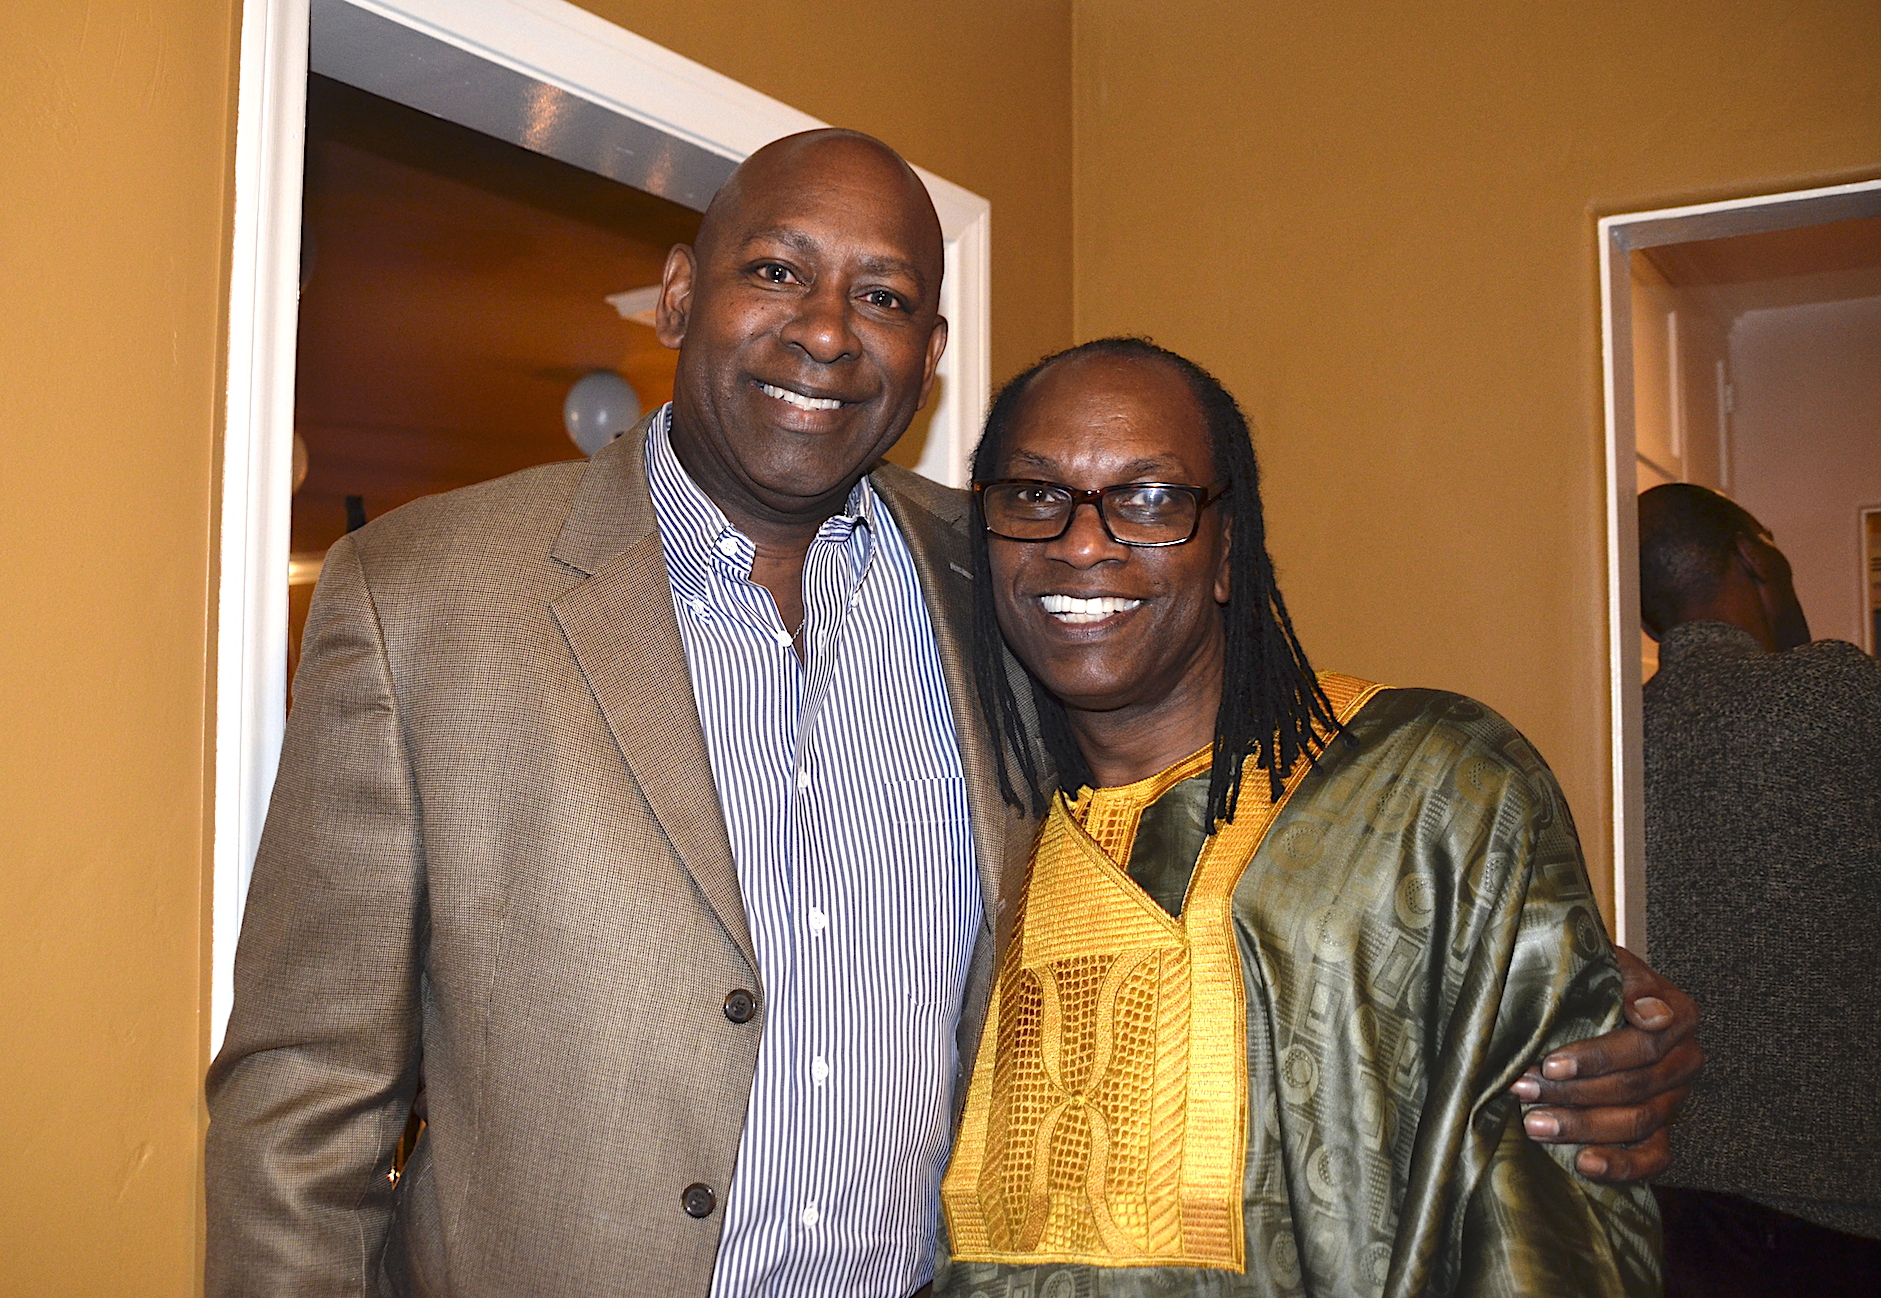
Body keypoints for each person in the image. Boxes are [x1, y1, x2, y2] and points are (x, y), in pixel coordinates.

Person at [206, 130, 1696, 1297]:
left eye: (884, 297)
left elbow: (1220, 814)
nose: (825, 332)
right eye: (776, 270)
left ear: (926, 354)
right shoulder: (425, 595)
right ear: (676, 291)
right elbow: (304, 1100)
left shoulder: (1000, 570)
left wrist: (1562, 999)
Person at [935, 338, 1661, 1296]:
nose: (1081, 541)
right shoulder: (979, 822)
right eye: (1035, 495)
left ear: (1228, 552)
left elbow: (1550, 1211)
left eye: (1150, 497)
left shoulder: (1430, 784)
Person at [1638, 483, 1881, 1296]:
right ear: (1752, 556)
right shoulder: (1840, 692)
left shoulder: (1620, 734)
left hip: (1667, 1210)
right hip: (1837, 1208)